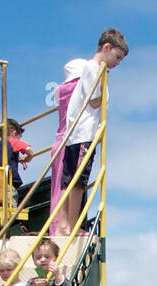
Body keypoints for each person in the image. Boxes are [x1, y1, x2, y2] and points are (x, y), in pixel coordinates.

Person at [51, 29, 128, 236]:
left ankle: (63, 225)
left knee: (69, 182)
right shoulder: (94, 69)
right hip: (84, 133)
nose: (117, 63)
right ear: (107, 48)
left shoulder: (89, 68)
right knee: (78, 182)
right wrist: (104, 81)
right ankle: (74, 225)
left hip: (74, 133)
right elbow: (95, 101)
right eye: (117, 57)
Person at [0, 118, 32, 193]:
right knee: (11, 203)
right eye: (20, 137)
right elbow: (29, 150)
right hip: (8, 183)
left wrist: (18, 159)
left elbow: (5, 159)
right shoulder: (13, 142)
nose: (19, 139)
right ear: (14, 133)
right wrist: (28, 158)